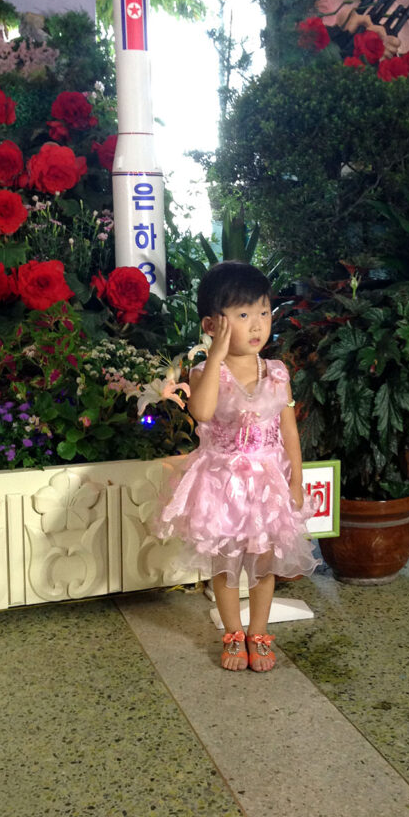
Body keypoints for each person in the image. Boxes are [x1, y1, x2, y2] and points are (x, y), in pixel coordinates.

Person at [157, 261, 318, 672]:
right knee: (226, 563)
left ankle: (259, 632)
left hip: (266, 484)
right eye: (243, 315)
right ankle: (233, 632)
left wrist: (296, 479)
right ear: (213, 324)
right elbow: (203, 411)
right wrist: (215, 358)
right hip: (220, 484)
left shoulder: (277, 372)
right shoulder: (207, 371)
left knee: (263, 562)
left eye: (263, 312)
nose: (257, 324)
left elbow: (289, 433)